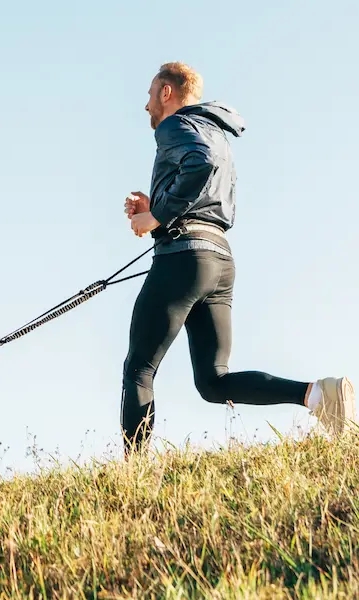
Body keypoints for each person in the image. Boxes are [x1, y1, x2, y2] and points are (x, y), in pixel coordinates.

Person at [121, 62, 354, 455]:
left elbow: (201, 166)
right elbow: (207, 192)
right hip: (219, 261)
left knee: (139, 368)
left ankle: (133, 472)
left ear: (166, 92)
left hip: (184, 258)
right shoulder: (212, 131)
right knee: (213, 382)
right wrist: (155, 209)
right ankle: (318, 396)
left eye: (149, 94)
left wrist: (157, 215)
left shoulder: (175, 126)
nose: (146, 106)